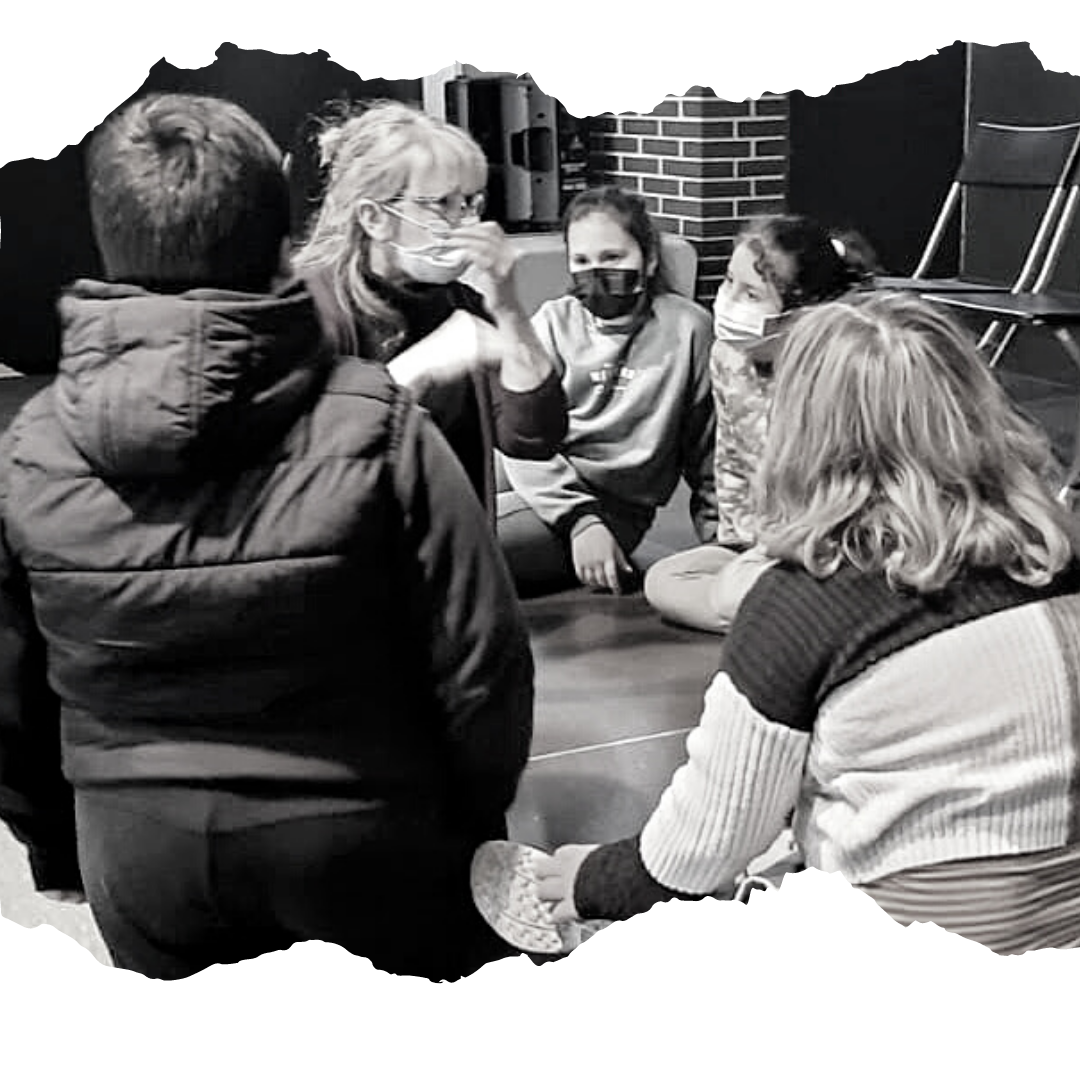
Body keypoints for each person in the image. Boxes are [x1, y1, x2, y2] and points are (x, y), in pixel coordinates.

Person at [0, 92, 535, 982]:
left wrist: (57, 844)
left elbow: (11, 691)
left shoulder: (30, 447)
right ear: (276, 230)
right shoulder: (378, 425)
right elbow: (485, 660)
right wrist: (470, 821)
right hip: (360, 835)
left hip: (139, 852)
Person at [527, 291, 1080, 956]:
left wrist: (594, 879)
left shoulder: (803, 604)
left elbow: (702, 846)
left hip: (916, 949)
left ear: (805, 434)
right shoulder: (1058, 555)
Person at [292, 99, 567, 519]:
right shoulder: (307, 308)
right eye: (442, 204)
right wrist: (418, 369)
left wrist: (507, 306)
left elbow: (534, 437)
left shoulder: (460, 303)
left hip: (451, 542)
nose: (466, 223)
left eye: (470, 203)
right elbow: (311, 468)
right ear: (374, 217)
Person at [644, 214, 876, 631]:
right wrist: (737, 542)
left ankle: (798, 618)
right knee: (665, 580)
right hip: (763, 547)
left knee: (735, 593)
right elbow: (731, 458)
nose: (729, 300)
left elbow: (856, 491)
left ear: (802, 311)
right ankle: (797, 620)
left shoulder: (843, 373)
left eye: (751, 293)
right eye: (729, 281)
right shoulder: (727, 358)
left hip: (836, 548)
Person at [496, 186, 718, 597]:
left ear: (649, 259)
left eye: (613, 257)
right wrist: (578, 517)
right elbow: (520, 445)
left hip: (614, 507)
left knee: (458, 545)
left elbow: (709, 452)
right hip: (550, 485)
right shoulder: (553, 322)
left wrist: (725, 549)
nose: (596, 272)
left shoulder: (689, 329)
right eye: (582, 261)